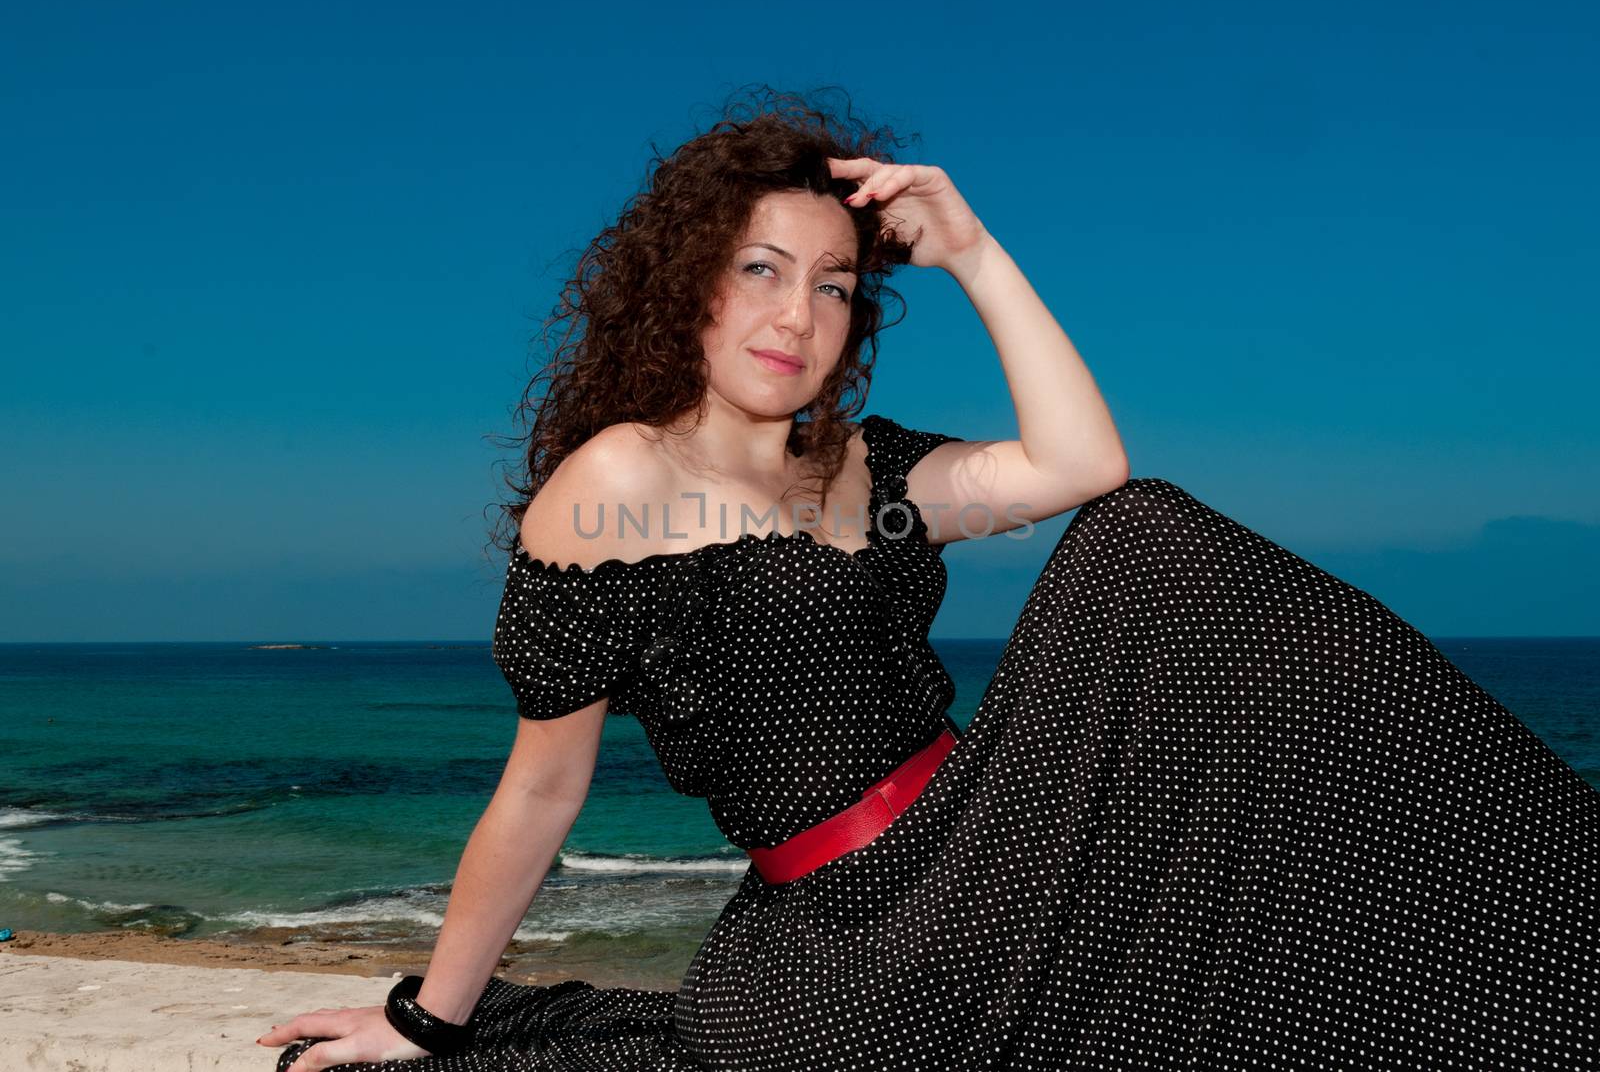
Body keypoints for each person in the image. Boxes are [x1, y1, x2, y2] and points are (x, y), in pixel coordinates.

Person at [258, 87, 1600, 1071]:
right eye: (763, 272)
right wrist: (425, 1018)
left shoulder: (869, 464)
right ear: (694, 289)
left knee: (1151, 537)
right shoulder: (617, 480)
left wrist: (970, 252)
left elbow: (1085, 464)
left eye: (836, 286)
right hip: (848, 939)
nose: (798, 314)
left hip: (993, 854)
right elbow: (540, 789)